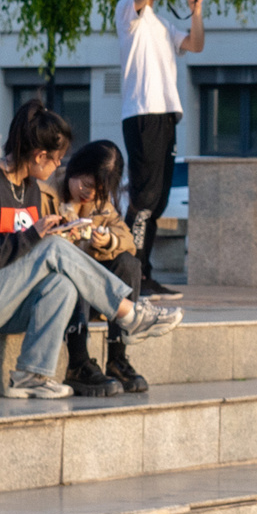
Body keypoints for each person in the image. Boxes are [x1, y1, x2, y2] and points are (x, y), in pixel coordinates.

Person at [0, 101, 182, 397]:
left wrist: (47, 237)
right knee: (52, 246)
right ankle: (129, 314)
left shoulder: (28, 189)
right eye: (57, 159)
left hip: (0, 302)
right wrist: (35, 237)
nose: (59, 166)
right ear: (40, 156)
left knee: (61, 285)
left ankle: (31, 375)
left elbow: (21, 254)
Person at [117, 0, 207, 297]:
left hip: (165, 115)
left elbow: (196, 45)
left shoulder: (162, 24)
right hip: (142, 113)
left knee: (157, 200)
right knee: (143, 198)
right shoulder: (128, 9)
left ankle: (143, 273)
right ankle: (128, 274)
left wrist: (196, 9)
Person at [55, 139, 150, 395]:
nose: (89, 193)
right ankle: (78, 362)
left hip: (96, 295)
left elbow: (128, 241)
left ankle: (117, 359)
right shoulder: (49, 191)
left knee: (128, 263)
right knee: (77, 263)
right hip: (58, 291)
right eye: (85, 185)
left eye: (97, 190)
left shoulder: (101, 203)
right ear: (75, 168)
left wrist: (109, 241)